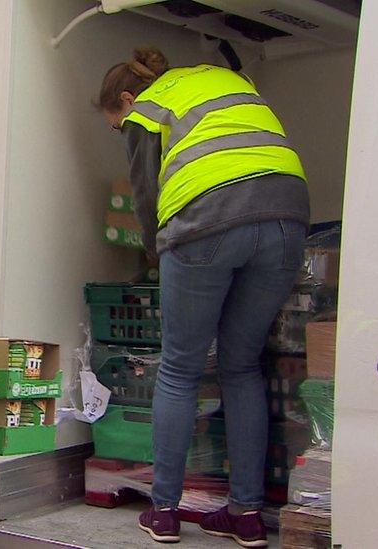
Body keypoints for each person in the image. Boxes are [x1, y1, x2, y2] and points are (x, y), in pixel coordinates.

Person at [98, 48, 310, 547]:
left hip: (207, 221)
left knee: (180, 368)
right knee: (241, 366)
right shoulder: (221, 79)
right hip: (288, 217)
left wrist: (153, 254)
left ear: (127, 98)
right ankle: (247, 515)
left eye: (114, 123)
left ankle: (165, 512)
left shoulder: (146, 109)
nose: (118, 129)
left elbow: (146, 195)